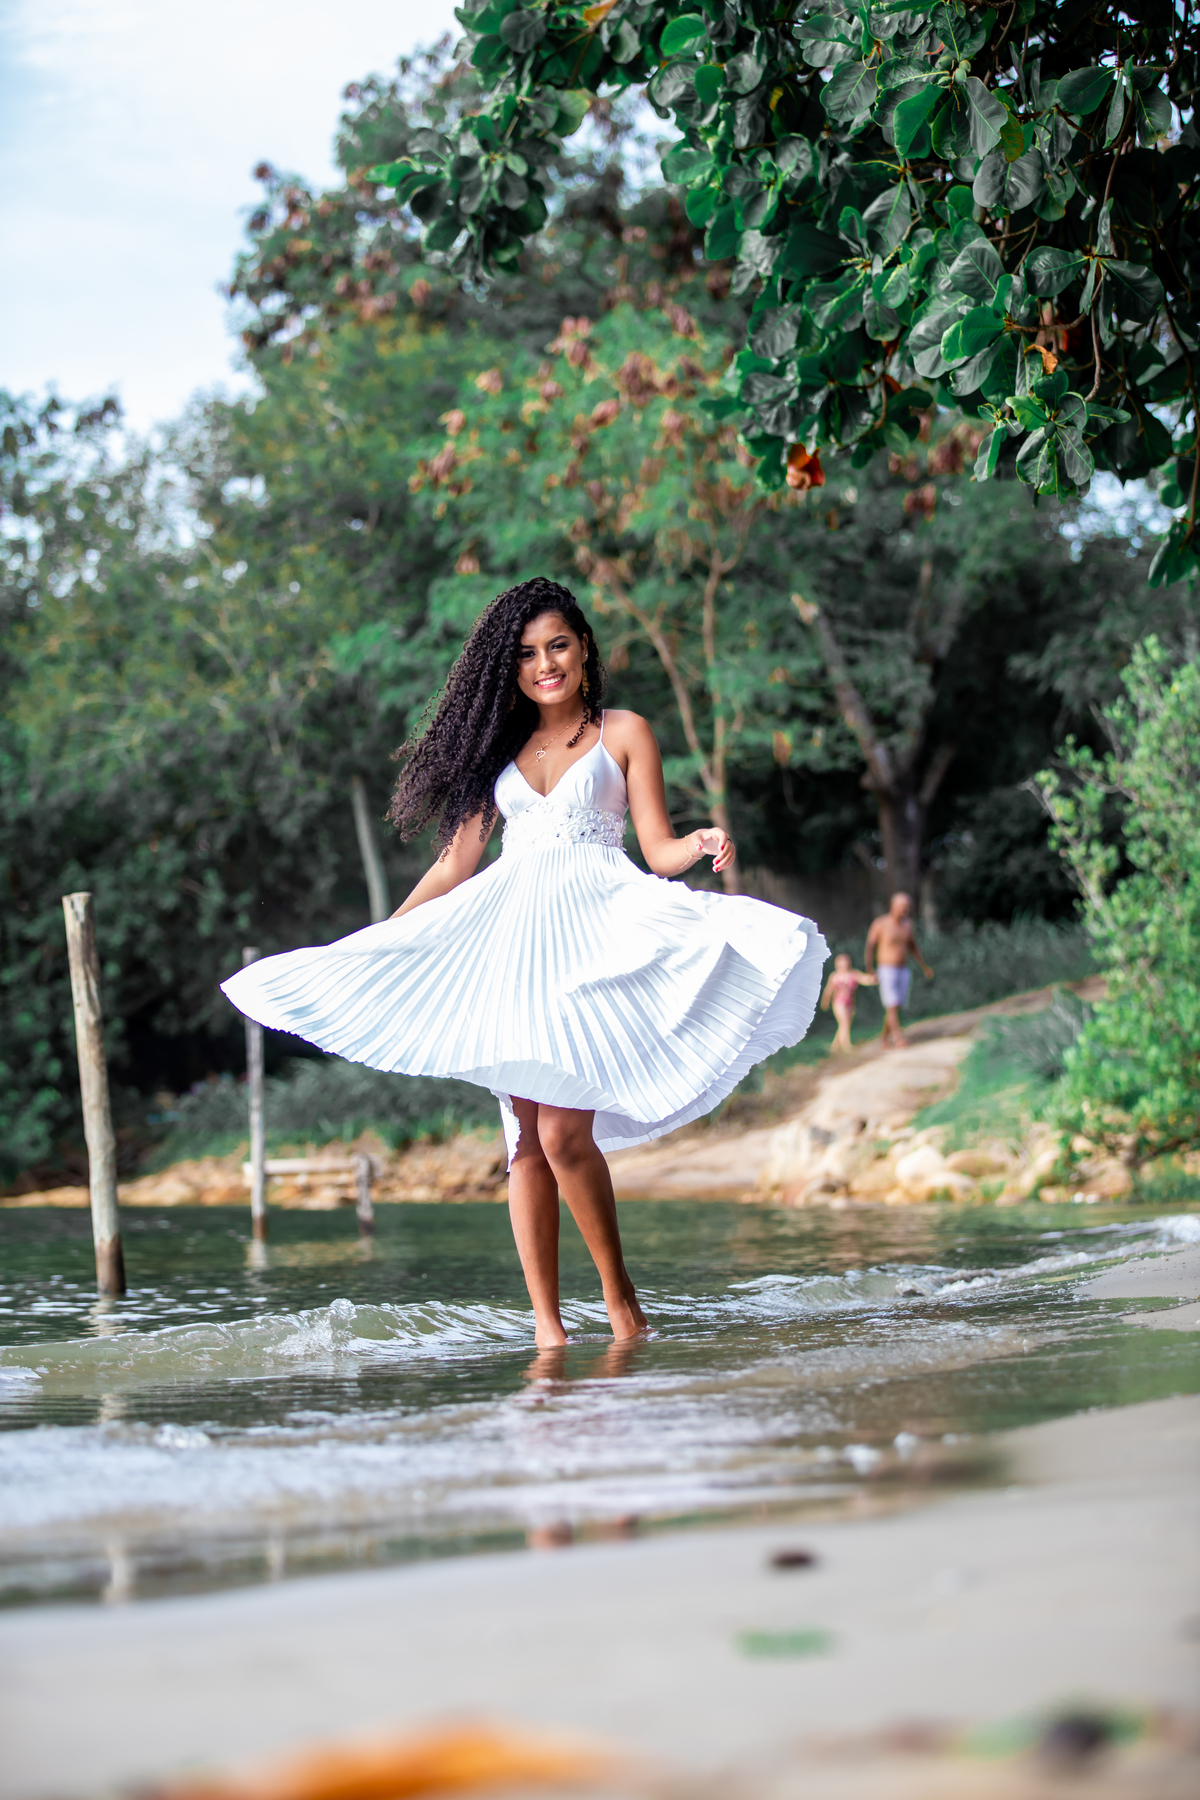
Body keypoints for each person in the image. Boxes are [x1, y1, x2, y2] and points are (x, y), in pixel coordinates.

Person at [222, 579, 828, 1348]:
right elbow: (455, 865)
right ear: (508, 669)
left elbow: (656, 849)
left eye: (558, 647)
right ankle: (548, 1331)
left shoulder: (625, 732)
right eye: (527, 655)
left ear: (584, 649)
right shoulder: (494, 753)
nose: (545, 665)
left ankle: (620, 1302)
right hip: (514, 947)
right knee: (524, 1143)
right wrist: (382, 939)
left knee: (566, 1134)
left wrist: (700, 842)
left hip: (596, 933)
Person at [864, 891, 933, 1048]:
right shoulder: (880, 924)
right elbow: (870, 947)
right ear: (893, 906)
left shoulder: (908, 924)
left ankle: (884, 1038)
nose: (905, 910)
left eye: (907, 907)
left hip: (903, 969)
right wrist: (870, 970)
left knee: (896, 1005)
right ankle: (898, 1038)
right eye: (902, 907)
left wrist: (924, 967)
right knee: (892, 1004)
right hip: (886, 969)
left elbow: (912, 947)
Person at [819, 952, 878, 1054]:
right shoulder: (834, 976)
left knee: (844, 1024)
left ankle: (834, 1046)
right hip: (838, 1002)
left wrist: (873, 979)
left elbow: (865, 979)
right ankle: (846, 1046)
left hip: (850, 1003)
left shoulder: (853, 974)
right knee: (844, 1023)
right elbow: (828, 991)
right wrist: (825, 1002)